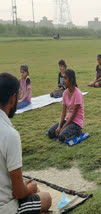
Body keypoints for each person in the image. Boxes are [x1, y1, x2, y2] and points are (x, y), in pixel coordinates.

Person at [0, 73, 52, 214]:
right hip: (5, 208)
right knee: (45, 197)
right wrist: (28, 189)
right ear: (13, 98)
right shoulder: (10, 134)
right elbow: (18, 193)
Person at [48, 69, 84, 142]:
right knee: (50, 132)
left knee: (62, 137)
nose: (63, 81)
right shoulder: (65, 93)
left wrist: (63, 128)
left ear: (71, 80)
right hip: (68, 120)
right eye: (63, 78)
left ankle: (78, 132)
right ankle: (64, 130)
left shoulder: (78, 94)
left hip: (76, 122)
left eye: (65, 78)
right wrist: (59, 126)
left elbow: (74, 114)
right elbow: (63, 112)